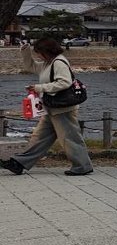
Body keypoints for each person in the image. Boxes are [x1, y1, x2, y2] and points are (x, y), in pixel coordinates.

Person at [1, 38, 94, 176]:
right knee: (39, 138)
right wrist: (25, 51)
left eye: (38, 52)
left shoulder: (59, 63)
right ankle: (19, 163)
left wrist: (40, 88)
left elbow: (64, 82)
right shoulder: (47, 63)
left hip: (63, 108)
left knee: (70, 139)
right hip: (52, 107)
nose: (37, 55)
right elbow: (30, 66)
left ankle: (82, 166)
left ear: (47, 51)